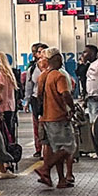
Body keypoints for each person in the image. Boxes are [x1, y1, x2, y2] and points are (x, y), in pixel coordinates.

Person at [34, 49, 77, 188]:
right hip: (58, 116)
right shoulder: (59, 76)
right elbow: (65, 94)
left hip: (45, 117)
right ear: (57, 60)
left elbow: (39, 96)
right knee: (69, 147)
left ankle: (61, 179)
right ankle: (45, 168)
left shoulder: (43, 76)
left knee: (57, 148)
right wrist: (72, 107)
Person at [82, 45, 98, 109]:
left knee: (95, 118)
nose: (83, 54)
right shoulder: (90, 65)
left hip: (97, 98)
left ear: (92, 53)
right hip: (90, 97)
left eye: (85, 52)